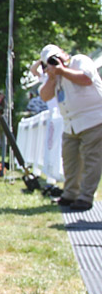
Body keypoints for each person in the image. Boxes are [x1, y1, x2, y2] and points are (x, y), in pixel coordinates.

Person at [39, 44, 102, 211]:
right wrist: (52, 77)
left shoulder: (80, 61)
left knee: (91, 160)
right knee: (70, 161)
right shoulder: (54, 76)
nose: (54, 64)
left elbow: (86, 79)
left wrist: (62, 71)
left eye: (55, 58)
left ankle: (85, 197)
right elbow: (45, 95)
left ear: (63, 55)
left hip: (94, 120)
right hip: (71, 125)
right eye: (48, 63)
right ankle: (70, 194)